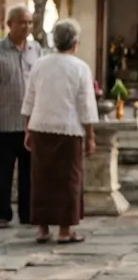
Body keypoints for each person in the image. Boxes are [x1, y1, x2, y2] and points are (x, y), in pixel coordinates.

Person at [22, 19, 97, 244]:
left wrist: (27, 129)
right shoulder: (80, 67)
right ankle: (65, 230)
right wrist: (90, 134)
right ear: (75, 42)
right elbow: (86, 104)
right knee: (68, 179)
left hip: (41, 127)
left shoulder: (40, 64)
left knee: (41, 178)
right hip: (68, 129)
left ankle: (42, 228)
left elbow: (30, 99)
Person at [0, 5, 41, 229]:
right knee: (3, 171)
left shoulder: (37, 50)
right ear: (9, 24)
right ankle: (2, 214)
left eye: (29, 22)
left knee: (30, 172)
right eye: (22, 22)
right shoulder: (0, 50)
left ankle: (28, 213)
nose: (26, 27)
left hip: (31, 124)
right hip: (5, 122)